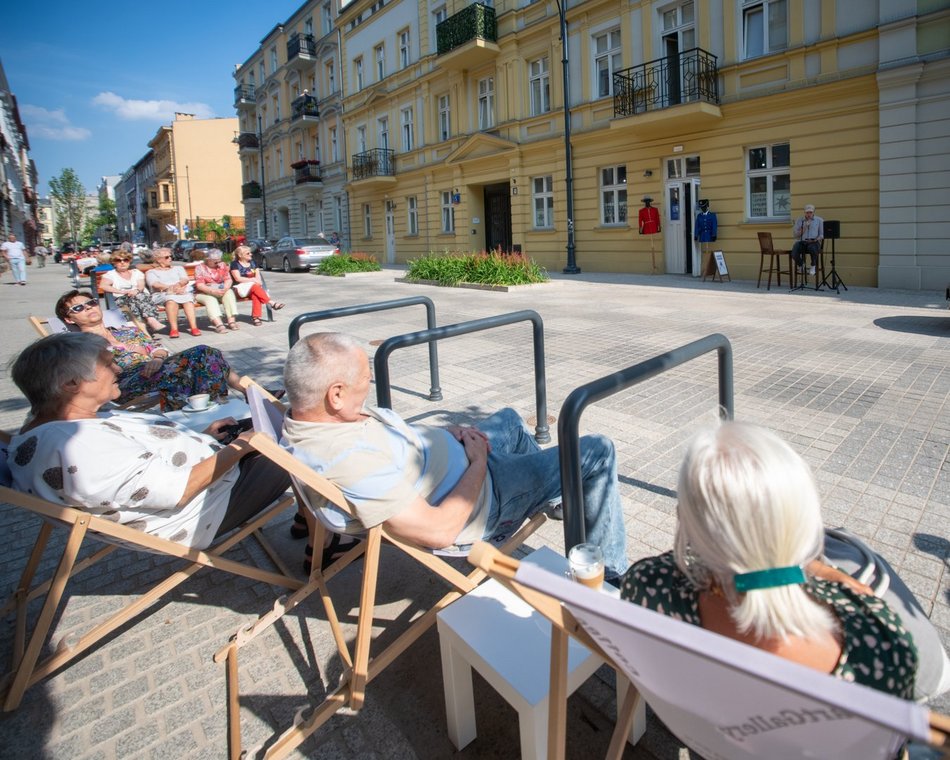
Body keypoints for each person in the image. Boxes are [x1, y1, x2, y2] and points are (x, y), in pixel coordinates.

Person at [620, 422, 950, 701]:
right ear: (805, 527)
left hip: (705, 731)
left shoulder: (648, 585)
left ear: (686, 523)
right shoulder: (883, 646)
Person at [281, 332, 628, 581]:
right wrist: (476, 462)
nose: (370, 386)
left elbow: (401, 440)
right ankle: (608, 580)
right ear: (336, 394)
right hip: (483, 501)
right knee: (597, 450)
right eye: (366, 381)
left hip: (460, 467)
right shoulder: (349, 460)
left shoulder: (307, 418)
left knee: (509, 418)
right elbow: (440, 530)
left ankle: (556, 495)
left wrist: (453, 434)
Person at [7, 333, 291, 549]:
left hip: (213, 478)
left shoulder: (47, 427)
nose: (118, 370)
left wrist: (204, 437)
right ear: (71, 384)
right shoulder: (75, 446)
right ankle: (323, 542)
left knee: (283, 424)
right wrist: (241, 446)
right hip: (207, 508)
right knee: (303, 437)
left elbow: (138, 471)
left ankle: (310, 524)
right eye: (108, 365)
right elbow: (178, 490)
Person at [54, 290, 244, 410]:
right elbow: (99, 373)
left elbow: (158, 348)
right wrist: (129, 355)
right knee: (199, 356)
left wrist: (157, 359)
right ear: (70, 320)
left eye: (91, 303)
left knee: (207, 354)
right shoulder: (79, 345)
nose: (88, 308)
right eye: (79, 308)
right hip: (123, 383)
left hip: (156, 370)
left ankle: (204, 408)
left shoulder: (126, 330)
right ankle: (212, 406)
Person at [98, 250, 166, 334]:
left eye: (125, 260)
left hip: (141, 297)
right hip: (122, 299)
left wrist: (136, 291)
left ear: (129, 261)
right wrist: (122, 291)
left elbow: (141, 286)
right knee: (135, 300)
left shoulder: (136, 272)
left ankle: (144, 331)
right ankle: (151, 320)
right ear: (114, 263)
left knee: (138, 297)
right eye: (118, 260)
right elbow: (103, 286)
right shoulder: (111, 274)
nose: (122, 263)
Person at [146, 247, 201, 338]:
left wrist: (178, 285)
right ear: (159, 260)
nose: (170, 258)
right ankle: (174, 329)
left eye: (170, 256)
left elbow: (185, 279)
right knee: (171, 300)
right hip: (162, 293)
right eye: (167, 257)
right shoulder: (151, 272)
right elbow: (155, 284)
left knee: (188, 299)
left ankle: (194, 327)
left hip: (180, 291)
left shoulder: (178, 268)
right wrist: (171, 288)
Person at [229, 245, 284, 326]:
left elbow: (258, 278)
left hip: (253, 288)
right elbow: (238, 279)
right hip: (239, 289)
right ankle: (271, 303)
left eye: (250, 253)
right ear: (240, 255)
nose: (251, 254)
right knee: (255, 287)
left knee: (256, 293)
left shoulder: (253, 263)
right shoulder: (235, 264)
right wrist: (252, 280)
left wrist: (256, 281)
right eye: (248, 253)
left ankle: (256, 317)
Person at [194, 249, 240, 333]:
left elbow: (228, 279)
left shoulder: (222, 265)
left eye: (219, 261)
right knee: (211, 300)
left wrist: (225, 289)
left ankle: (231, 321)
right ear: (208, 260)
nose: (218, 263)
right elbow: (199, 285)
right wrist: (212, 291)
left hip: (220, 290)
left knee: (229, 293)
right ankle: (219, 325)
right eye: (216, 262)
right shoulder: (200, 268)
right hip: (203, 292)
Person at [792, 204, 824, 275]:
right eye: (807, 212)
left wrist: (815, 239)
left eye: (810, 212)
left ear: (813, 212)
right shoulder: (800, 220)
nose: (809, 214)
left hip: (814, 242)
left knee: (812, 248)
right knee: (794, 250)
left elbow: (822, 234)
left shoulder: (819, 220)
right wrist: (805, 226)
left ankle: (813, 266)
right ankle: (801, 264)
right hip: (802, 241)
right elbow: (796, 235)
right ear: (804, 212)